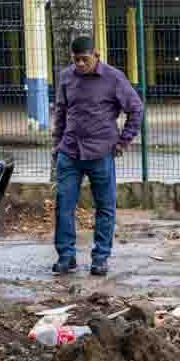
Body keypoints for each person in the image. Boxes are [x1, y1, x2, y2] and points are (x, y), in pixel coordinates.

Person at [51, 36, 143, 276]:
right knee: (63, 206)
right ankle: (66, 256)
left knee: (105, 208)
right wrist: (56, 144)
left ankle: (100, 258)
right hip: (69, 152)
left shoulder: (114, 78)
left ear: (96, 55)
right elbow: (61, 112)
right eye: (76, 60)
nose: (80, 64)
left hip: (101, 153)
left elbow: (136, 108)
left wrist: (124, 140)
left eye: (85, 59)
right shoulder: (66, 77)